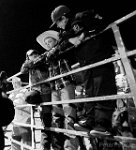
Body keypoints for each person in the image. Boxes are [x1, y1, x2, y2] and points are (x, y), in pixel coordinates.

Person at [50, 4, 117, 136]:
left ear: (64, 17)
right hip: (87, 64)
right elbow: (66, 42)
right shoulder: (68, 32)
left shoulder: (82, 17)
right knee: (90, 91)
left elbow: (99, 23)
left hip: (99, 59)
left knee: (102, 89)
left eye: (58, 22)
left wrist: (76, 36)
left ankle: (103, 125)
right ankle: (90, 121)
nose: (58, 26)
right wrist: (70, 38)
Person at [36, 30, 80, 150]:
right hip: (54, 87)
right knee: (56, 115)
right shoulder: (47, 56)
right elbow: (36, 61)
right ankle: (58, 146)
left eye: (50, 41)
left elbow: (63, 46)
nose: (48, 44)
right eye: (46, 43)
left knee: (69, 113)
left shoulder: (62, 48)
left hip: (65, 82)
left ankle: (71, 147)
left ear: (55, 41)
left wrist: (52, 51)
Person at [20, 49, 52, 150]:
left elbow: (47, 62)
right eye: (30, 55)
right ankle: (45, 145)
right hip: (37, 91)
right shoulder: (29, 65)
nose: (33, 56)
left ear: (37, 54)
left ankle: (45, 146)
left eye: (34, 54)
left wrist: (38, 61)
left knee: (47, 120)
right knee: (28, 97)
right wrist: (31, 62)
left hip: (46, 90)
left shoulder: (43, 61)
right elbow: (22, 70)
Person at [8, 77, 32, 150]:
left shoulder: (25, 91)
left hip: (25, 122)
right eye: (13, 83)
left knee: (26, 146)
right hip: (15, 123)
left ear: (20, 83)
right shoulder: (11, 94)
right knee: (14, 145)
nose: (15, 85)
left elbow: (24, 104)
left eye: (16, 83)